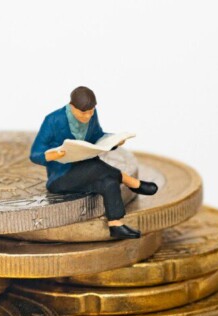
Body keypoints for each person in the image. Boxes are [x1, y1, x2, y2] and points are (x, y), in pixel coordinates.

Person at [29, 86, 158, 239]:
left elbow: (97, 136)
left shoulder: (92, 114)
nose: (88, 116)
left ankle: (115, 224)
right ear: (72, 107)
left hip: (88, 172)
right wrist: (53, 155)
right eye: (84, 112)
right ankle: (132, 183)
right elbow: (35, 153)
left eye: (92, 111)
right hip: (62, 177)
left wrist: (113, 141)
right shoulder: (53, 120)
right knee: (94, 166)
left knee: (109, 181)